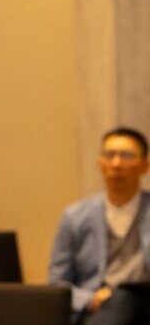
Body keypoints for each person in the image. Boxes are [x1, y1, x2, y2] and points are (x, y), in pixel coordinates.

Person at [50, 127, 150, 324]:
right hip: (97, 307)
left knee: (125, 299)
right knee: (117, 304)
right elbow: (57, 283)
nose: (116, 163)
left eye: (127, 156)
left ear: (145, 165)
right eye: (109, 155)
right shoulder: (75, 216)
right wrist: (89, 299)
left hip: (145, 300)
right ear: (100, 163)